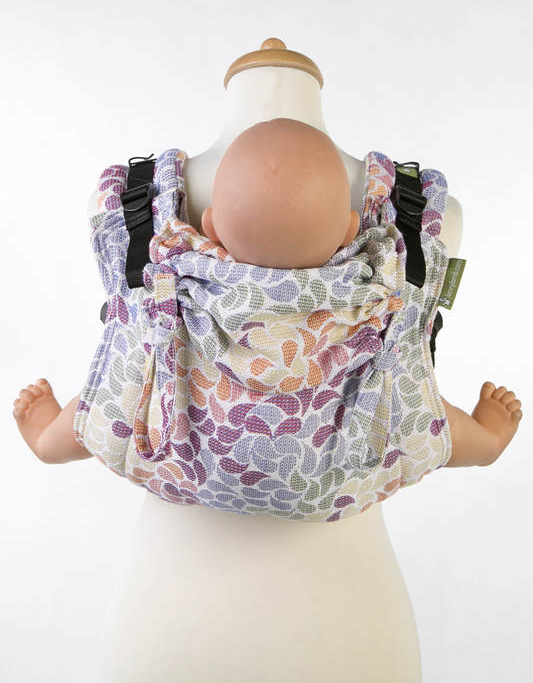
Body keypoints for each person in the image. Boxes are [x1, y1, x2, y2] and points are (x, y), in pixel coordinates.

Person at [12, 117, 523, 468]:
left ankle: (50, 440)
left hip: (172, 478)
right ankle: (485, 442)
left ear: (209, 225)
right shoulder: (374, 277)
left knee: (116, 393)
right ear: (352, 230)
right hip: (355, 498)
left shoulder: (180, 263)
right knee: (421, 414)